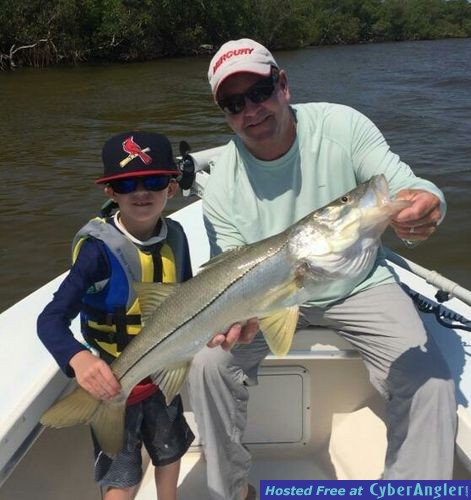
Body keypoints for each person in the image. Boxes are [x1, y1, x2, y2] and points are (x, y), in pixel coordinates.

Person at [187, 39, 457, 500]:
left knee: (433, 383)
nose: (251, 110)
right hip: (269, 296)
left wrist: (428, 202)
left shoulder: (342, 125)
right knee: (208, 365)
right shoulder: (221, 184)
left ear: (284, 85)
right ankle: (233, 490)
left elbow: (404, 184)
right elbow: (233, 266)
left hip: (358, 284)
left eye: (259, 91)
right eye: (234, 104)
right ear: (225, 115)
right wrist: (238, 317)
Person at [37, 131, 194, 500]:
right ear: (111, 193)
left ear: (171, 188)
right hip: (111, 377)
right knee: (120, 472)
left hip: (164, 372)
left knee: (170, 451)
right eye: (127, 184)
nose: (141, 192)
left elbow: (187, 299)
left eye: (154, 181)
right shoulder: (97, 251)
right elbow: (50, 320)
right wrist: (78, 359)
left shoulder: (179, 237)